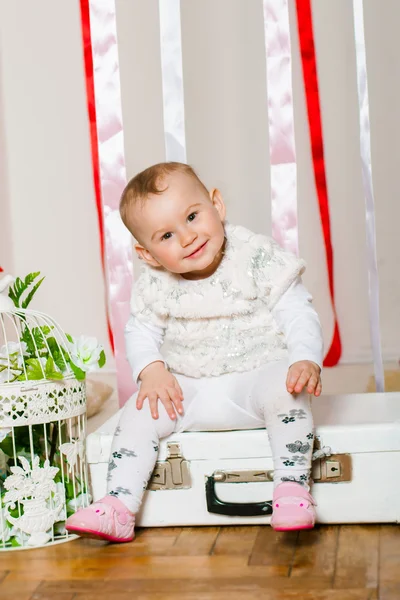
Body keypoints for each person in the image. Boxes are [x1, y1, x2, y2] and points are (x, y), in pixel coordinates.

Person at [66, 162, 323, 543]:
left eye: (192, 216)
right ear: (148, 254)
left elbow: (297, 311)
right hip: (188, 389)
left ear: (216, 205)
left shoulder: (255, 256)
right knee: (138, 410)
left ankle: (291, 489)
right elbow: (140, 331)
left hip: (255, 376)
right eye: (167, 235)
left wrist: (305, 358)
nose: (187, 237)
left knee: (288, 393)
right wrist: (151, 369)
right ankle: (119, 504)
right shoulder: (156, 284)